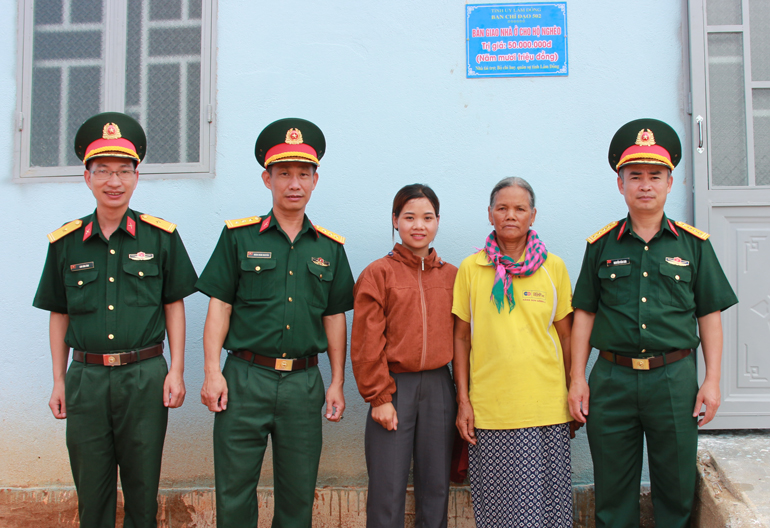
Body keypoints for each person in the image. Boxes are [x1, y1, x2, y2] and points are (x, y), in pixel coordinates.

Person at [568, 118, 739, 528]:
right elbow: (585, 314)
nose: (645, 184)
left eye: (655, 176)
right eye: (635, 176)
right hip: (612, 379)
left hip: (674, 379)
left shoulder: (694, 245)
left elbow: (709, 316)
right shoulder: (601, 245)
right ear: (620, 184)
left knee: (676, 489)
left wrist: (711, 381)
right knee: (612, 492)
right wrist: (577, 377)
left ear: (670, 182)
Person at [32, 112, 198, 528]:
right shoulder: (65, 243)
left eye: (124, 171)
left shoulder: (160, 237)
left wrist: (176, 371)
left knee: (143, 489)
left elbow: (173, 305)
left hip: (143, 376)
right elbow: (59, 313)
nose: (114, 181)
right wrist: (58, 379)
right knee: (92, 489)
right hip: (85, 379)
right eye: (102, 170)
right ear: (86, 176)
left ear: (136, 176)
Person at [196, 118, 355, 528]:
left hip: (303, 385)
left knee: (298, 495)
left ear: (315, 180)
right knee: (234, 492)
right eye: (284, 173)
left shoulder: (330, 249)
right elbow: (220, 308)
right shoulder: (238, 238)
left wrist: (337, 381)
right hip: (245, 378)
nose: (294, 183)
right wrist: (212, 372)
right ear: (267, 178)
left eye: (303, 173)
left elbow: (334, 316)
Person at [452, 177, 575, 528]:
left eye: (520, 208)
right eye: (502, 208)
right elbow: (461, 339)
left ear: (532, 215)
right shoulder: (472, 269)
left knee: (548, 512)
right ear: (490, 215)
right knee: (500, 513)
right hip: (491, 411)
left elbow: (566, 337)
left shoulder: (554, 268)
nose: (511, 215)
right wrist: (464, 400)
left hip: (546, 409)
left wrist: (572, 391)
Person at [351, 184, 458, 528]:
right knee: (387, 487)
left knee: (436, 486)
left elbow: (465, 337)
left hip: (441, 388)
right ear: (395, 221)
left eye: (427, 217)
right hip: (393, 388)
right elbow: (367, 341)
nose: (418, 225)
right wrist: (379, 396)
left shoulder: (453, 276)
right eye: (409, 217)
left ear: (438, 222)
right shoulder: (378, 273)